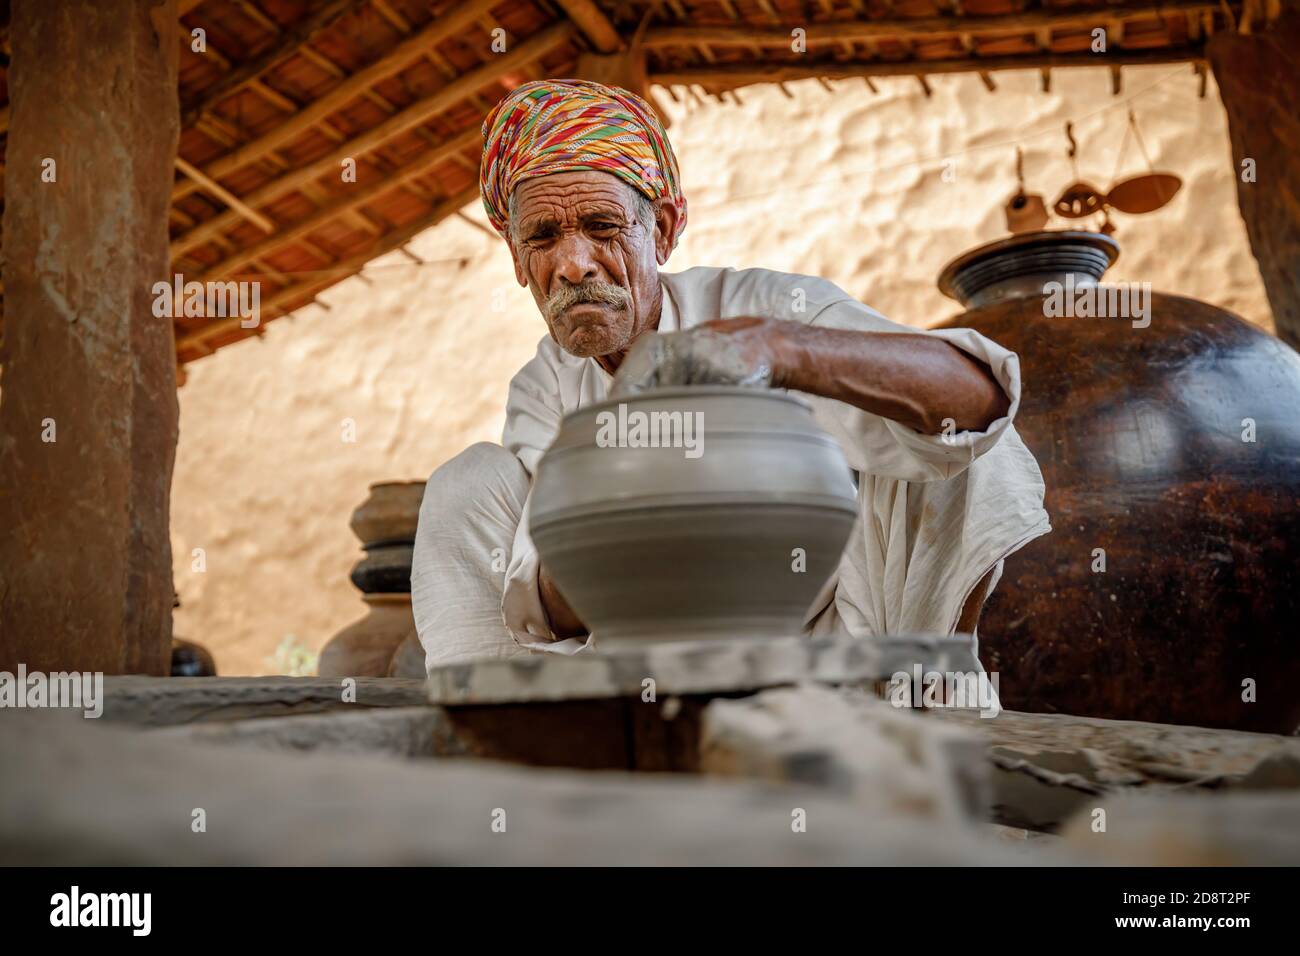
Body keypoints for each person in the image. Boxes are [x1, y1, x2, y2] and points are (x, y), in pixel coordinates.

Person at [411, 79, 1049, 673]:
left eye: (602, 227)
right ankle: (511, 751)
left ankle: (926, 704)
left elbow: (981, 397)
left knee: (958, 439)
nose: (574, 264)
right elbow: (549, 605)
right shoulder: (543, 388)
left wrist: (781, 350)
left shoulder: (767, 310)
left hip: (831, 649)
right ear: (520, 261)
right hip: (646, 661)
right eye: (543, 237)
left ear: (659, 232)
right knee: (466, 483)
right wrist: (637, 503)